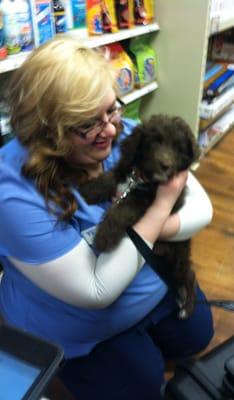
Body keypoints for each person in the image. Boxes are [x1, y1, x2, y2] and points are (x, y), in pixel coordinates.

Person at [0, 36, 214, 400]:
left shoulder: (120, 132)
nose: (112, 130)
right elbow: (95, 289)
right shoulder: (12, 193)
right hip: (79, 323)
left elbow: (202, 208)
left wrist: (153, 225)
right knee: (142, 384)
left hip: (145, 279)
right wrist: (160, 206)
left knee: (198, 333)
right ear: (47, 129)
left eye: (112, 110)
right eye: (87, 124)